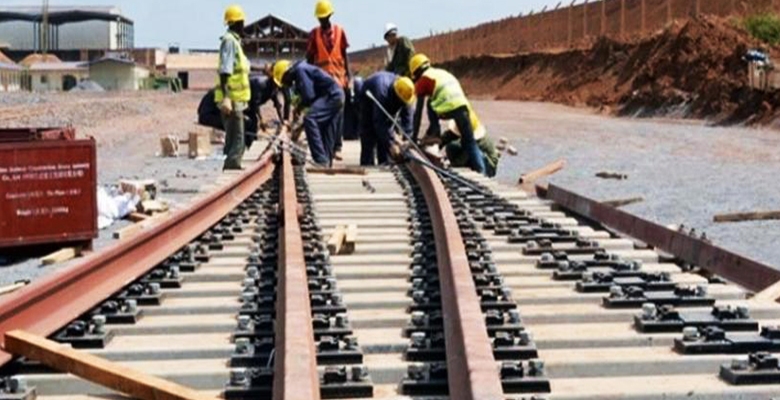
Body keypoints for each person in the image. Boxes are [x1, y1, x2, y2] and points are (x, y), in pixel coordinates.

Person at [409, 53, 488, 176]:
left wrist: (413, 138)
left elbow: (418, 113)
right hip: (463, 108)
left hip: (446, 107)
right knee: (470, 142)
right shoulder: (442, 73)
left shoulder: (423, 79)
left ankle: (435, 132)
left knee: (430, 102)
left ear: (416, 71)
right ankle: (482, 173)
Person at [274, 59, 344, 167]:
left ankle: (320, 160)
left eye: (283, 80)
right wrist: (300, 108)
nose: (285, 84)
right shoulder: (302, 68)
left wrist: (300, 109)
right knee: (327, 127)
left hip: (331, 96)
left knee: (310, 119)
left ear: (286, 73)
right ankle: (326, 162)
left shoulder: (300, 70)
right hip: (337, 95)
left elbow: (309, 96)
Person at [307, 0, 352, 160]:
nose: (323, 21)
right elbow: (309, 59)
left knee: (338, 115)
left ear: (330, 15)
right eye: (320, 18)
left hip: (339, 80)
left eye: (325, 17)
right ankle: (328, 150)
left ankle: (336, 147)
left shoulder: (340, 31)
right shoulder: (314, 34)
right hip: (322, 83)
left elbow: (345, 56)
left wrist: (350, 78)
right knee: (325, 117)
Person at [198, 74, 290, 148]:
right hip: (209, 112)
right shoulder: (259, 84)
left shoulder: (272, 88)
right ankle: (237, 149)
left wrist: (283, 121)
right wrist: (262, 120)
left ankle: (249, 145)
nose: (278, 88)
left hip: (229, 107)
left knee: (251, 122)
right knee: (242, 123)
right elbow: (254, 106)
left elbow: (278, 104)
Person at [216, 5, 250, 170]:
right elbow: (225, 71)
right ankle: (231, 168)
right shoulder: (230, 41)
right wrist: (227, 97)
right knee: (238, 139)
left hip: (237, 100)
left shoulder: (235, 41)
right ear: (238, 23)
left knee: (234, 139)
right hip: (232, 100)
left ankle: (231, 166)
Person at [358, 72, 414, 166]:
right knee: (369, 132)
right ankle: (367, 163)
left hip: (387, 94)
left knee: (385, 134)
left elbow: (408, 118)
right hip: (368, 97)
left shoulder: (406, 92)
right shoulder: (382, 93)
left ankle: (384, 161)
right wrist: (391, 144)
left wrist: (406, 141)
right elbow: (379, 122)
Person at [439, 107, 500, 177]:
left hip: (488, 166)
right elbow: (446, 137)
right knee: (451, 147)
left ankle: (481, 175)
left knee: (466, 151)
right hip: (471, 155)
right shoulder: (459, 128)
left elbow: (466, 154)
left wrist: (452, 166)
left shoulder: (477, 140)